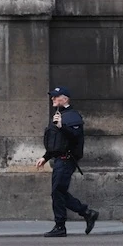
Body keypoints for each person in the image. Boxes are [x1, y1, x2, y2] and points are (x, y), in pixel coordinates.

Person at [35, 86, 99, 237]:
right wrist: (45, 157)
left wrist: (61, 126)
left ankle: (61, 226)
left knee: (58, 192)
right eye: (53, 96)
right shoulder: (58, 115)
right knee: (59, 192)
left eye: (56, 96)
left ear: (64, 99)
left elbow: (75, 136)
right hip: (59, 160)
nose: (52, 99)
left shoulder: (72, 116)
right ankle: (86, 213)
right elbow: (56, 142)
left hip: (66, 160)